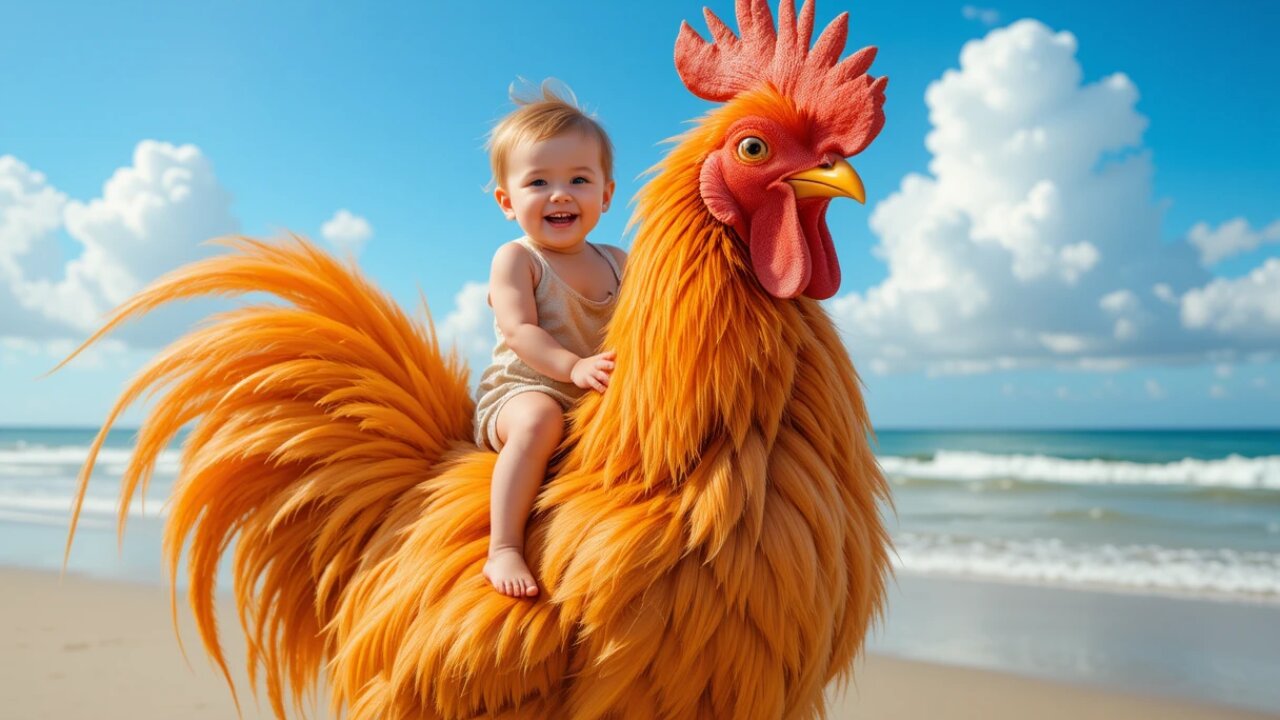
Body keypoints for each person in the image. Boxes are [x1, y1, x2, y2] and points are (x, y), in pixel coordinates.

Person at [473, 81, 626, 598]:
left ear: (605, 194)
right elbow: (520, 332)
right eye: (537, 182)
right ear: (507, 201)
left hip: (591, 392)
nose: (559, 194)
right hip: (523, 391)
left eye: (578, 179)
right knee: (540, 420)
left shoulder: (618, 262)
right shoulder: (517, 259)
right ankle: (505, 547)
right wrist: (572, 367)